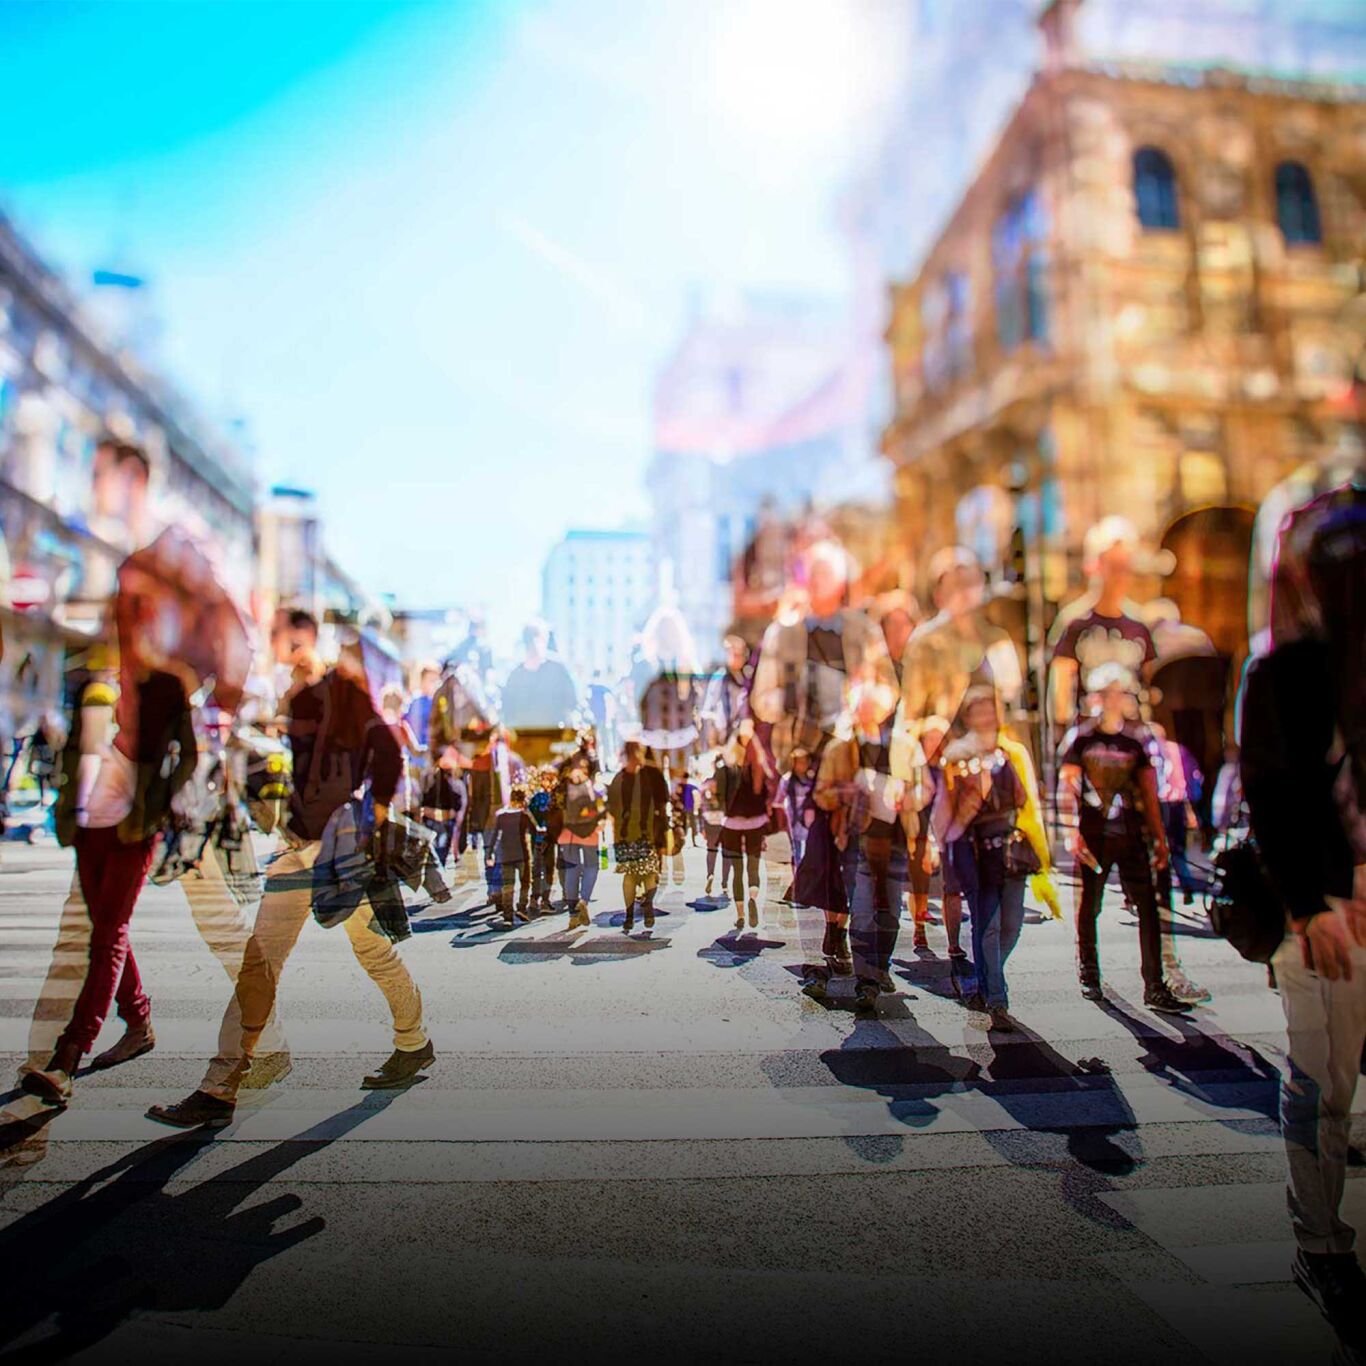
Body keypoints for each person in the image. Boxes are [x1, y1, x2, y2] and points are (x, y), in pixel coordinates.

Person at [145, 622, 434, 1129]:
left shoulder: (342, 694)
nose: (293, 655)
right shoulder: (294, 701)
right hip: (298, 851)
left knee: (372, 951)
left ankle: (414, 1041)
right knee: (261, 962)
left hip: (341, 855)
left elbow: (387, 754)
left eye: (299, 645)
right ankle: (221, 1084)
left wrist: (374, 818)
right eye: (288, 647)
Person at [1241, 471, 1366, 1352]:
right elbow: (1272, 794)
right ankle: (1320, 1243)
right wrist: (1311, 905)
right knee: (1325, 1082)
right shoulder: (1282, 671)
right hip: (1323, 912)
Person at [1057, 663, 1190, 1015]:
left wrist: (1160, 839)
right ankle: (1089, 972)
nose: (1113, 700)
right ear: (1095, 697)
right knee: (1091, 904)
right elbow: (1068, 785)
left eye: (1119, 693)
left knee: (1148, 907)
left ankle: (1154, 985)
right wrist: (1070, 830)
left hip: (1130, 836)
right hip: (1094, 834)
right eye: (1107, 693)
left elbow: (1148, 792)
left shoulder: (1135, 742)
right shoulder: (1081, 739)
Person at [933, 686, 1056, 1032]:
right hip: (975, 847)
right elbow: (947, 808)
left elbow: (1024, 798)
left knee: (1012, 923)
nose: (987, 716)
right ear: (969, 717)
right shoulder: (957, 754)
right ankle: (996, 998)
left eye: (992, 710)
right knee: (986, 922)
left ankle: (987, 973)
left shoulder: (1010, 752)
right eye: (979, 711)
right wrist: (943, 844)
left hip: (1010, 846)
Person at [1048, 516, 1157, 730]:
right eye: (1113, 567)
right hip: (1088, 741)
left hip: (1132, 739)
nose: (1120, 577)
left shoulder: (1139, 625)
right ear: (1094, 565)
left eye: (1125, 567)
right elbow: (1060, 697)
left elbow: (1149, 688)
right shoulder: (1073, 623)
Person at [717, 722, 775, 932]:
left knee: (736, 870)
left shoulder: (726, 770)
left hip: (732, 823)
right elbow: (767, 794)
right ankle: (753, 898)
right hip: (755, 823)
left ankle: (740, 914)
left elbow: (719, 798)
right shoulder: (759, 767)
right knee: (753, 867)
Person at [606, 741, 669, 933]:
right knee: (648, 874)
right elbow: (663, 801)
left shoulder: (619, 778)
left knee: (630, 876)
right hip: (645, 834)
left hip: (626, 835)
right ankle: (647, 907)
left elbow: (612, 810)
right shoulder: (651, 774)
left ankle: (630, 916)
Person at [500, 619, 579, 732]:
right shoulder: (515, 676)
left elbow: (571, 704)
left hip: (553, 738)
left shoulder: (558, 670)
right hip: (526, 741)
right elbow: (508, 712)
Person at [558, 756, 605, 929]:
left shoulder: (562, 787)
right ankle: (584, 900)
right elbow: (602, 808)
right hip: (590, 832)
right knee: (592, 866)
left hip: (567, 834)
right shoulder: (594, 786)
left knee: (572, 869)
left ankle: (572, 915)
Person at [487, 783, 536, 924]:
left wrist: (489, 854)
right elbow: (535, 830)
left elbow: (495, 835)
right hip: (522, 854)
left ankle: (507, 915)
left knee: (508, 884)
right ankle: (521, 907)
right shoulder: (524, 815)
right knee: (525, 882)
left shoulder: (501, 816)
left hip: (506, 854)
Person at [700, 633, 752, 749]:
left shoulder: (744, 679)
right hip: (720, 734)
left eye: (739, 655)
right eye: (732, 654)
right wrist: (712, 737)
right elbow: (709, 708)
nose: (735, 658)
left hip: (735, 736)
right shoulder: (720, 678)